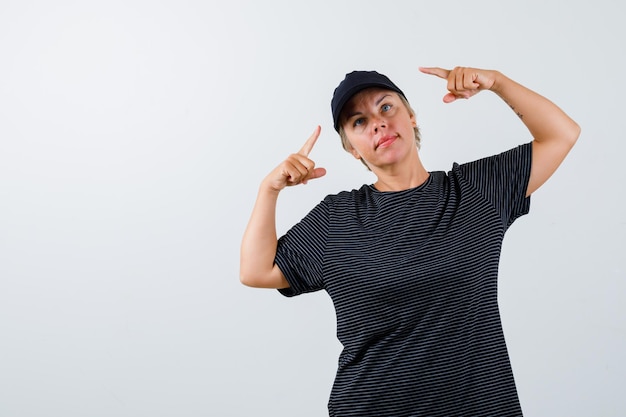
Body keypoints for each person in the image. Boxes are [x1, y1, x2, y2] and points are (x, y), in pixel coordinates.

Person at [240, 66, 580, 416]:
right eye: (358, 122)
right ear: (352, 149)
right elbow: (256, 271)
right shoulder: (336, 219)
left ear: (412, 116)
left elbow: (561, 134)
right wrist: (270, 189)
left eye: (386, 107)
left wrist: (496, 82)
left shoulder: (476, 192)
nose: (377, 123)